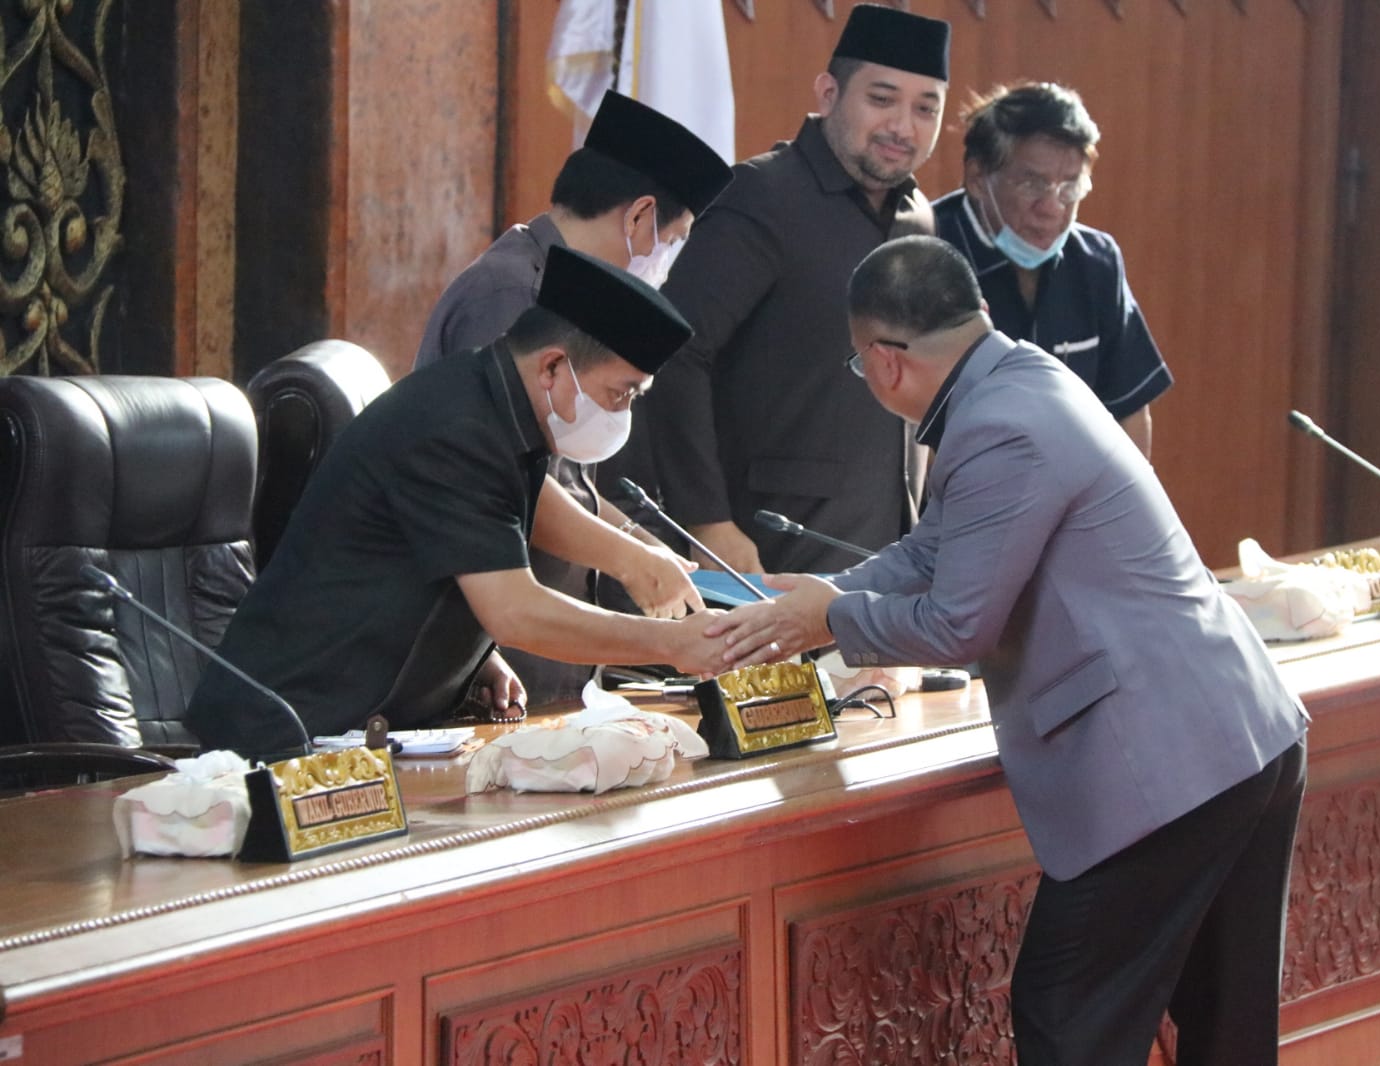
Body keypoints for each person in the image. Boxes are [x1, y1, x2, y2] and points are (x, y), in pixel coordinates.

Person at [709, 236, 1307, 1065]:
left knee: (1068, 1015)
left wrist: (831, 622)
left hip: (1166, 759)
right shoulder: (1019, 378)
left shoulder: (998, 429)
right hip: (1233, 734)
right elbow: (933, 552)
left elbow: (958, 626)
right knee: (1223, 1025)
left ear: (884, 362)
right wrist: (809, 602)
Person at [187, 247, 729, 758]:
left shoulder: (495, 407)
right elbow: (516, 612)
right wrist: (670, 643)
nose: (621, 412)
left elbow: (516, 513)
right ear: (553, 368)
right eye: (621, 393)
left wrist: (469, 658)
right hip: (282, 737)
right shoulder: (455, 427)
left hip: (371, 728)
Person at [414, 90, 734, 706]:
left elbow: (565, 478)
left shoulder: (559, 295)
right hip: (492, 652)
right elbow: (510, 486)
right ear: (639, 217)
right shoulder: (509, 298)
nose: (668, 265)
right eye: (676, 239)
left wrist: (644, 545)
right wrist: (630, 561)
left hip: (550, 650)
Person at [643, 3, 951, 575]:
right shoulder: (762, 195)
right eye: (881, 100)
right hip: (763, 549)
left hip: (882, 555)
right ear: (829, 92)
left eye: (925, 108)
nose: (903, 127)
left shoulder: (920, 218)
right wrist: (707, 523)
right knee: (770, 673)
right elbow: (675, 350)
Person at [935, 82, 1171, 460]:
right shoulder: (928, 251)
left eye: (1070, 187)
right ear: (978, 179)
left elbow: (1128, 411)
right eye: (1032, 183)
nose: (1052, 208)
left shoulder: (1097, 262)